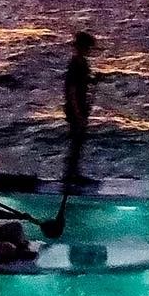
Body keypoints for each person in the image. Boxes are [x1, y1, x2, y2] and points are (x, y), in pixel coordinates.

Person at [63, 30, 100, 186]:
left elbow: (83, 82)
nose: (89, 50)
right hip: (75, 108)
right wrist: (78, 114)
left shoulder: (82, 63)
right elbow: (71, 90)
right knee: (76, 142)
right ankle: (70, 176)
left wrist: (93, 80)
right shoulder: (75, 65)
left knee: (78, 142)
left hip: (81, 106)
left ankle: (74, 173)